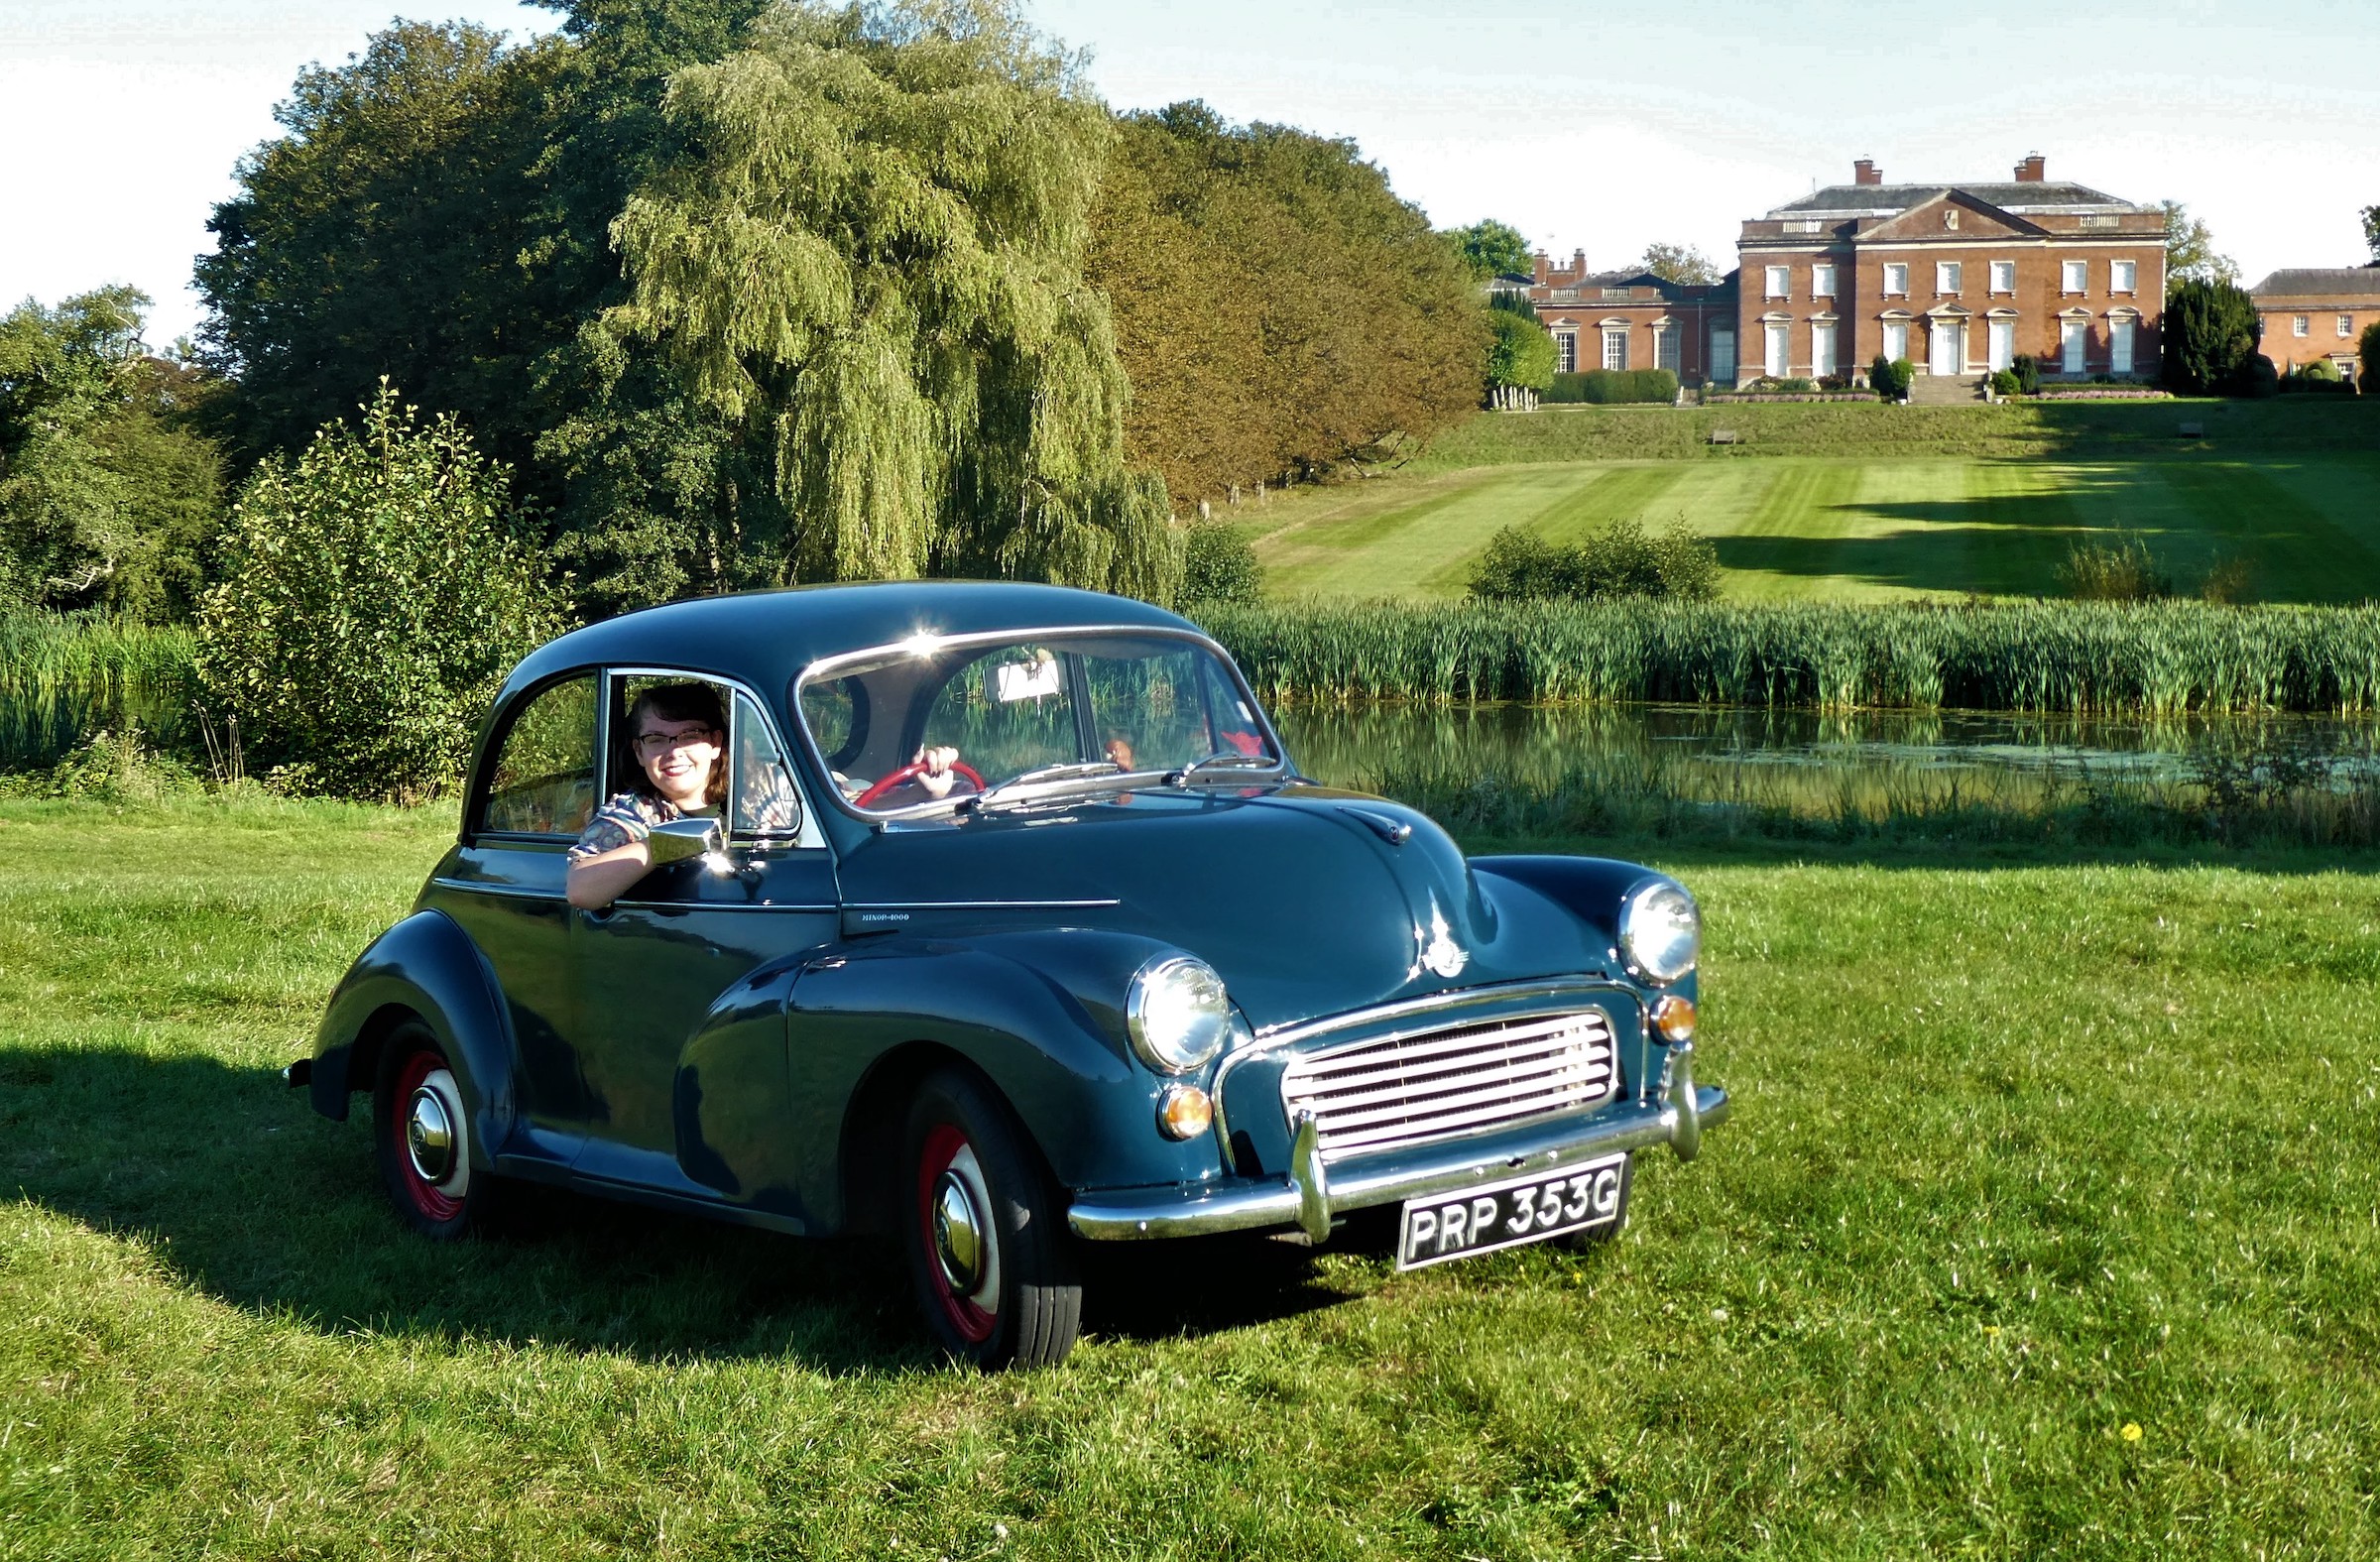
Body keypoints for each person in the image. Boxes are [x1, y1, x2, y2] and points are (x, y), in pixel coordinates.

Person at [566, 682, 795, 909]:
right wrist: (666, 845)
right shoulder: (634, 812)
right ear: (639, 752)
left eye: (690, 736)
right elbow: (580, 891)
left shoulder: (765, 784)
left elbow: (828, 798)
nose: (674, 752)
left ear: (715, 743)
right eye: (656, 739)